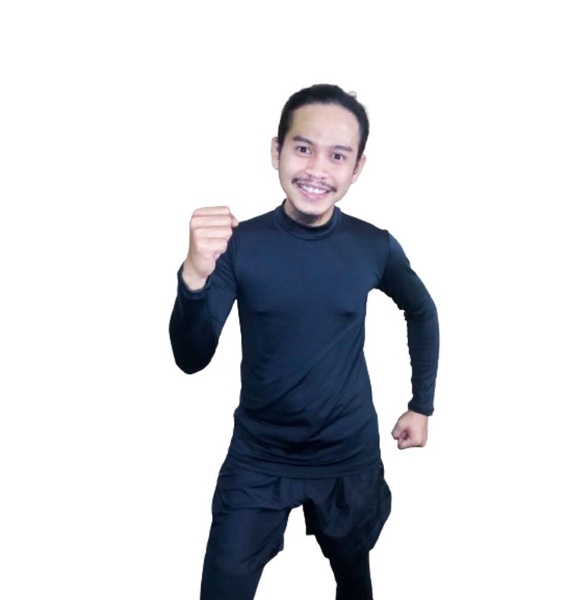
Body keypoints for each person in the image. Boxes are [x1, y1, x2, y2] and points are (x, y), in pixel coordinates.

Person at [169, 83, 439, 600]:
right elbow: (191, 358)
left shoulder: (373, 246)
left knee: (354, 582)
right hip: (259, 457)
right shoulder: (238, 246)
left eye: (337, 155)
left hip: (347, 453)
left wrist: (421, 404)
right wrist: (194, 277)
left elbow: (422, 311)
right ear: (276, 151)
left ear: (357, 168)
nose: (317, 168)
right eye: (302, 148)